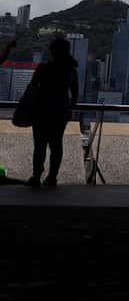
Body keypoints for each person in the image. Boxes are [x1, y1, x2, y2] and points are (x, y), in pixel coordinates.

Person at [25, 37, 80, 189]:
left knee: (40, 145)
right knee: (56, 146)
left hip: (41, 111)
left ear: (52, 51)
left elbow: (32, 87)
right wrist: (69, 109)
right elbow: (75, 94)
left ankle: (36, 176)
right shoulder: (71, 71)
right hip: (60, 113)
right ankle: (52, 177)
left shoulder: (43, 68)